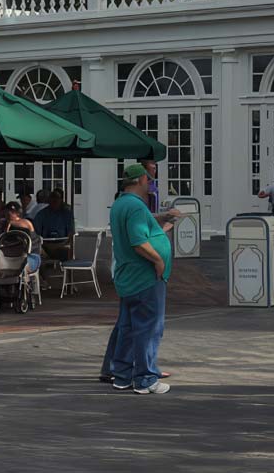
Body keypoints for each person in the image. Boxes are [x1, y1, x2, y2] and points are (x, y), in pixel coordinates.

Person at [104, 163, 172, 394]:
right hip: (144, 276)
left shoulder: (121, 204)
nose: (150, 182)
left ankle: (122, 375)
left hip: (129, 277)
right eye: (148, 179)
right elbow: (138, 240)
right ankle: (145, 379)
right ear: (141, 180)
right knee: (148, 328)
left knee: (128, 327)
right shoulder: (134, 206)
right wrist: (158, 260)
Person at [34, 189, 75, 262]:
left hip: (62, 244)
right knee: (37, 251)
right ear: (49, 200)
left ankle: (65, 271)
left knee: (66, 251)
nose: (54, 200)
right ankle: (42, 271)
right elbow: (36, 233)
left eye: (57, 198)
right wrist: (45, 245)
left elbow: (71, 233)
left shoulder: (67, 214)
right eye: (52, 198)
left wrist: (62, 244)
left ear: (61, 200)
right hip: (45, 245)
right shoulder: (41, 214)